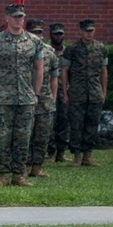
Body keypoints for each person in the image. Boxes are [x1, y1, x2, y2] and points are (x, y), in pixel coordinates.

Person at [0, 4, 44, 186]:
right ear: (6, 18)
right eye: (15, 16)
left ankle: (19, 175)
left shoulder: (34, 41)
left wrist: (36, 94)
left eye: (21, 16)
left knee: (23, 137)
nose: (18, 19)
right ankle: (2, 174)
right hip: (3, 97)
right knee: (2, 137)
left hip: (25, 97)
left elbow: (39, 69)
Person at [62, 18, 108, 167]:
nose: (89, 34)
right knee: (76, 124)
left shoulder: (101, 48)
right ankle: (76, 156)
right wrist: (65, 92)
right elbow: (65, 71)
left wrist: (103, 92)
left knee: (92, 124)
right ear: (80, 31)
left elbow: (103, 71)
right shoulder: (72, 49)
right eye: (86, 31)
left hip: (94, 92)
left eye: (91, 31)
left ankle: (87, 156)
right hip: (77, 92)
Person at [27, 20, 60, 178]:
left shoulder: (49, 52)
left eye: (40, 32)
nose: (38, 35)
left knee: (42, 135)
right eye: (34, 32)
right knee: (25, 135)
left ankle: (37, 167)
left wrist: (53, 98)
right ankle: (23, 166)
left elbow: (54, 78)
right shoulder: (24, 50)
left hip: (45, 101)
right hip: (25, 99)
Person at [47, 23, 70, 162]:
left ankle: (61, 153)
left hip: (64, 92)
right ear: (50, 35)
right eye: (56, 33)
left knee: (63, 122)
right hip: (48, 92)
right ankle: (50, 152)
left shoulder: (68, 52)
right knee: (49, 123)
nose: (58, 36)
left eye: (60, 33)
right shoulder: (46, 51)